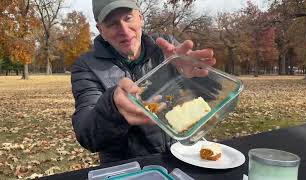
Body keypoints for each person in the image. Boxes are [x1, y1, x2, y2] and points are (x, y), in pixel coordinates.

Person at [71, 0, 216, 164]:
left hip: (182, 156)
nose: (124, 31)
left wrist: (194, 77)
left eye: (128, 18)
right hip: (129, 167)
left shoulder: (166, 48)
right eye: (112, 23)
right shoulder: (86, 66)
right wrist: (113, 108)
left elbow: (211, 99)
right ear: (100, 30)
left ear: (140, 17)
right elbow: (88, 136)